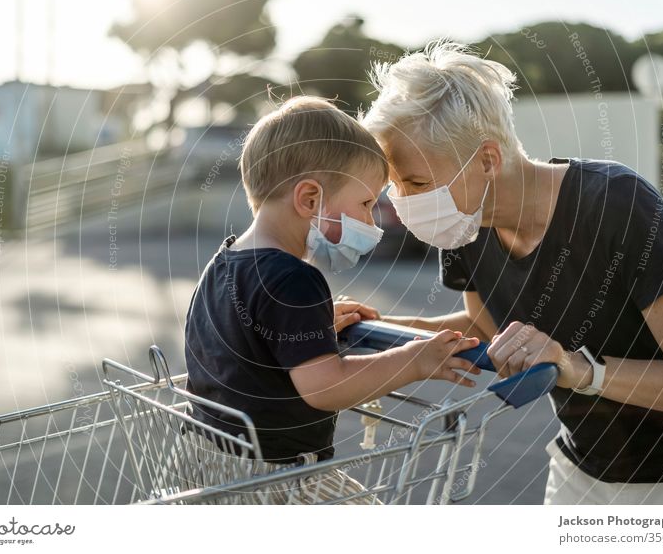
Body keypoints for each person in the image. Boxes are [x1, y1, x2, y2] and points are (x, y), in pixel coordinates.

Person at [359, 40, 663, 505]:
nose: (402, 200)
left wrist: (581, 370)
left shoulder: (616, 205)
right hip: (579, 468)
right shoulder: (467, 224)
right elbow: (485, 327)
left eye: (418, 183)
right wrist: (375, 324)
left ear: (487, 159)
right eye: (396, 185)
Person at [182, 95, 482, 504]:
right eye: (364, 204)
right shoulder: (294, 279)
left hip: (213, 465)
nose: (370, 222)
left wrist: (310, 329)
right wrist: (416, 360)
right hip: (277, 480)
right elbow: (325, 387)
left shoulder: (224, 262)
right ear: (309, 199)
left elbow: (246, 341)